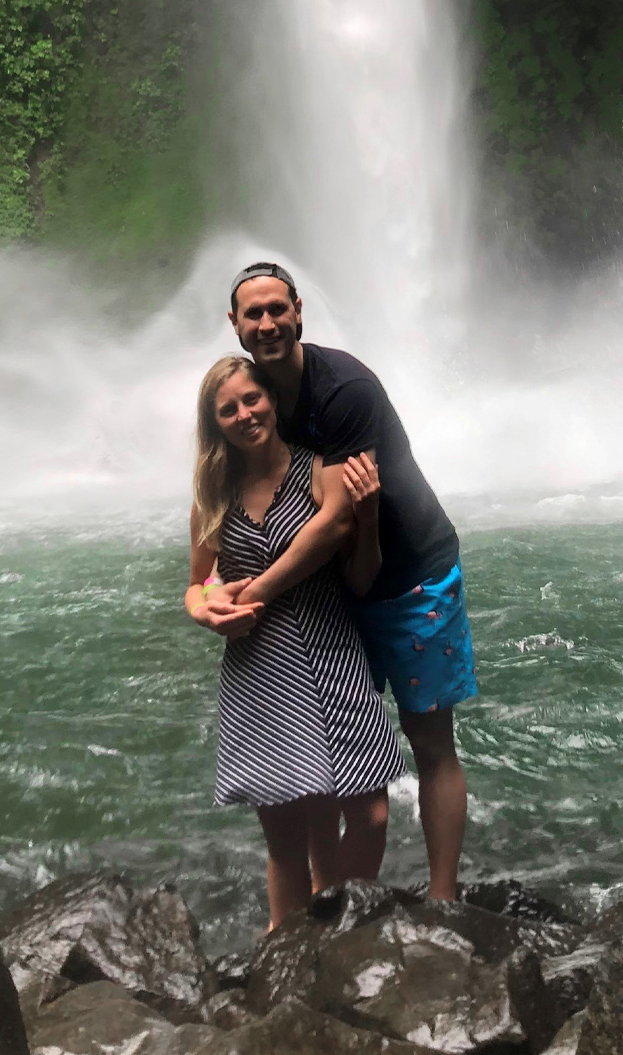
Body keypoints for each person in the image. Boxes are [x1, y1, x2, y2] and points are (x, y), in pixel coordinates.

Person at [221, 260, 476, 901]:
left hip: (412, 576)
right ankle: (333, 897)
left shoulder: (344, 391)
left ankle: (444, 898)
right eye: (253, 313)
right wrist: (207, 591)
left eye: (278, 308)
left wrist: (257, 593)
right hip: (338, 592)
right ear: (235, 325)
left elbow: (336, 520)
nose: (267, 322)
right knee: (325, 753)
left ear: (300, 310)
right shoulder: (257, 397)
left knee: (429, 738)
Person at [186, 355, 403, 927]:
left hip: (331, 651)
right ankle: (285, 956)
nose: (244, 414)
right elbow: (196, 583)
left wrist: (370, 515)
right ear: (216, 425)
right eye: (227, 409)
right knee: (286, 837)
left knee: (371, 813)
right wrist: (209, 612)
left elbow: (360, 576)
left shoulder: (316, 472)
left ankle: (345, 929)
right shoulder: (214, 492)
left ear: (273, 401)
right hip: (259, 668)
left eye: (251, 400)